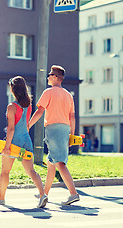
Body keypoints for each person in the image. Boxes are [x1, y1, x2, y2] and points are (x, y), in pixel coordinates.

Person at [0, 76, 48, 208]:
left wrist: (7, 147)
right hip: (26, 139)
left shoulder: (12, 106)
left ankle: (1, 198)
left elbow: (11, 129)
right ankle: (42, 194)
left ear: (13, 89)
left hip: (14, 141)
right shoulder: (28, 105)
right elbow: (25, 124)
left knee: (5, 171)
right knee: (31, 171)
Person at [29, 65, 80, 205]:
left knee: (60, 163)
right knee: (51, 162)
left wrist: (28, 125)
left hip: (54, 129)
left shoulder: (49, 92)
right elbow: (72, 117)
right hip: (65, 130)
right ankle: (44, 193)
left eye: (50, 74)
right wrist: (72, 135)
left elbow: (39, 111)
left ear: (56, 77)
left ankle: (73, 193)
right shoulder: (68, 95)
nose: (48, 76)